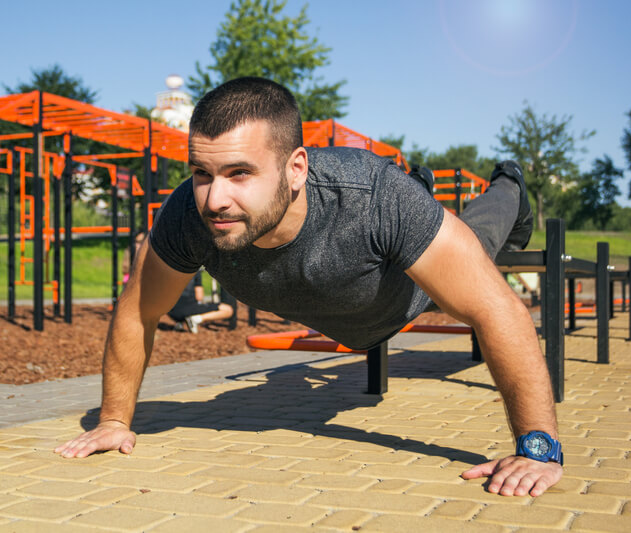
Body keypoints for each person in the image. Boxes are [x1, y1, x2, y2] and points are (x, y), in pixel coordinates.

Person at [56, 77, 562, 498]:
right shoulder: (188, 217)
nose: (215, 198)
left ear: (296, 168)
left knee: (476, 238)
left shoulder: (370, 199)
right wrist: (114, 422)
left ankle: (511, 188)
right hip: (359, 292)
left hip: (403, 291)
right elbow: (136, 311)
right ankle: (424, 191)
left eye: (239, 173)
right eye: (202, 173)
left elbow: (498, 310)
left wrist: (537, 447)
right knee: (422, 219)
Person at [168, 271, 235, 333]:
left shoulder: (171, 269)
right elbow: (199, 296)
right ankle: (195, 319)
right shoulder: (195, 272)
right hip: (186, 309)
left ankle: (180, 323)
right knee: (228, 310)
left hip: (171, 310)